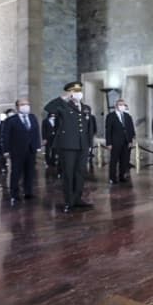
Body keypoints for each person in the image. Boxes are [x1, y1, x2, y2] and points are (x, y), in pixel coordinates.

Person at [44, 82, 95, 213]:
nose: (78, 93)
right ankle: (69, 201)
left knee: (80, 173)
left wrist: (89, 144)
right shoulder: (63, 106)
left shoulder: (86, 108)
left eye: (79, 91)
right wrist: (63, 98)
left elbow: (89, 128)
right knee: (68, 173)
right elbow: (48, 108)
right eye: (75, 91)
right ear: (69, 92)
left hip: (82, 145)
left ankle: (77, 198)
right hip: (67, 145)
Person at [2, 98, 41, 205]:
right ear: (17, 107)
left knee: (29, 172)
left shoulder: (32, 117)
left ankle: (28, 192)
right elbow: (5, 136)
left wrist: (37, 146)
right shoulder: (10, 120)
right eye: (22, 104)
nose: (26, 106)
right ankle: (14, 194)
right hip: (16, 151)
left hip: (31, 149)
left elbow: (36, 132)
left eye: (27, 104)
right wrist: (6, 150)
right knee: (16, 173)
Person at [105, 99, 135, 184]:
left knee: (124, 160)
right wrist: (109, 143)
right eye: (120, 105)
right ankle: (112, 178)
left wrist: (130, 141)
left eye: (123, 105)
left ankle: (122, 176)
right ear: (116, 106)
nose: (122, 106)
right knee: (114, 161)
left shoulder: (127, 116)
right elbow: (108, 130)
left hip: (126, 142)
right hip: (115, 142)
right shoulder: (110, 116)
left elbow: (130, 129)